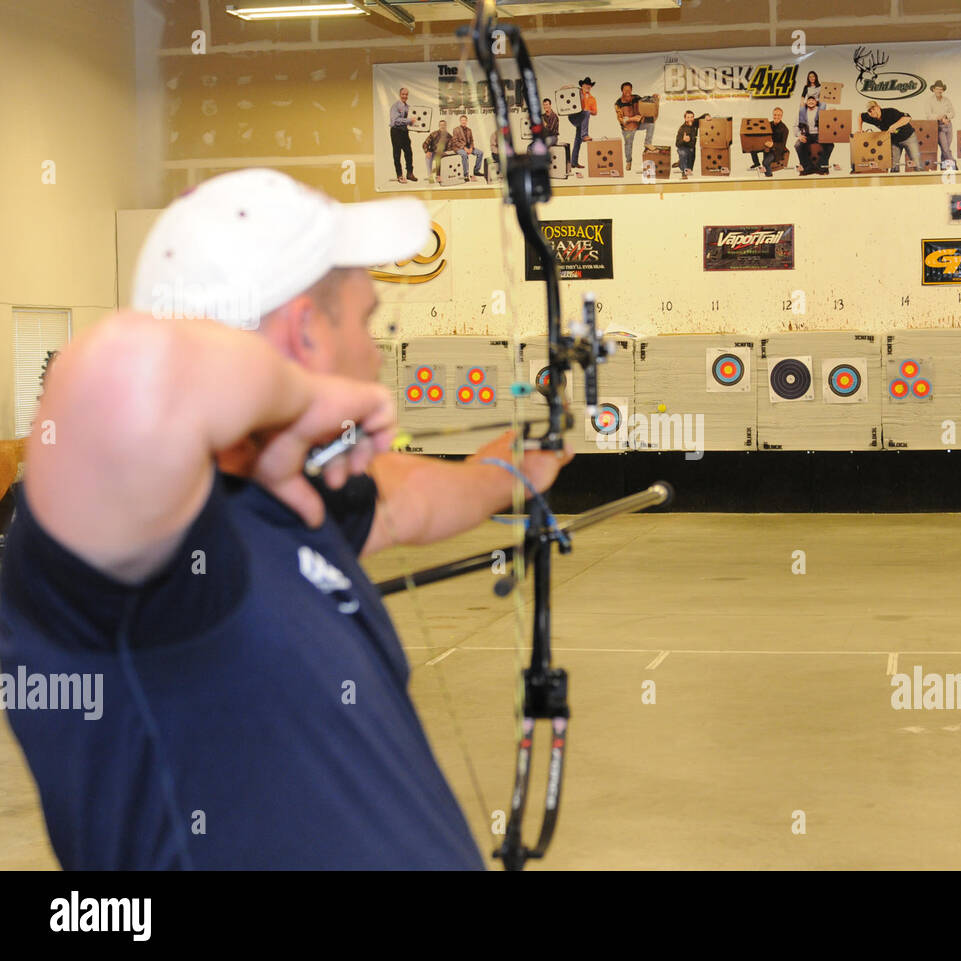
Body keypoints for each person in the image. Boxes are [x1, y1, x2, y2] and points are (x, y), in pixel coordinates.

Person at [0, 168, 573, 869]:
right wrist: (303, 399)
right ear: (305, 333)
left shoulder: (288, 496)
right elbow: (124, 373)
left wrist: (519, 465)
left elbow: (412, 496)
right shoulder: (135, 552)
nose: (374, 354)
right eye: (366, 321)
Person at [861, 100, 920, 173]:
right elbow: (860, 116)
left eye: (874, 108)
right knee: (894, 165)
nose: (873, 112)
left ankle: (923, 181)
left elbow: (908, 118)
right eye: (870, 111)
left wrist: (894, 126)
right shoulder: (870, 117)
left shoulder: (890, 112)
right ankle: (894, 182)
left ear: (879, 107)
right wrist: (859, 129)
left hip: (908, 137)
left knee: (916, 162)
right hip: (894, 141)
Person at [614, 81, 656, 172]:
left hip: (638, 124)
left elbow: (645, 104)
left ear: (631, 89)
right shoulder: (618, 104)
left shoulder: (637, 97)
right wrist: (632, 119)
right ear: (622, 91)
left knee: (651, 123)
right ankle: (628, 161)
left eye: (629, 89)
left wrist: (653, 97)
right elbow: (621, 120)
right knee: (628, 145)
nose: (628, 92)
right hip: (627, 129)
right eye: (625, 90)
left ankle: (647, 143)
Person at [796, 93, 832, 174]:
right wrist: (799, 135)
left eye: (813, 100)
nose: (811, 101)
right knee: (797, 145)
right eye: (809, 100)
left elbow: (830, 120)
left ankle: (821, 166)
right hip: (806, 135)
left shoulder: (821, 110)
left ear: (816, 102)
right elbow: (795, 126)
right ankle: (807, 167)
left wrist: (832, 111)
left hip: (819, 134)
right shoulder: (801, 112)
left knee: (830, 145)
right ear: (806, 102)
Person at [747, 107, 788, 177]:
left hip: (776, 150)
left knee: (765, 162)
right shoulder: (769, 124)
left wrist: (773, 144)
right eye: (775, 115)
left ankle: (769, 176)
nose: (776, 117)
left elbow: (782, 145)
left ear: (781, 116)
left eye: (778, 115)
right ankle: (756, 163)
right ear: (773, 115)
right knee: (752, 148)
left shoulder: (785, 129)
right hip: (766, 145)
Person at [925, 80, 956, 170]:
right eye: (937, 89)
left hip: (948, 125)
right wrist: (939, 117)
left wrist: (946, 116)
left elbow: (953, 112)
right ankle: (954, 165)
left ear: (943, 90)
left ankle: (943, 168)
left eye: (941, 89)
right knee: (945, 148)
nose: (939, 91)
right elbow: (928, 115)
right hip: (938, 127)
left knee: (945, 149)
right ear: (934, 89)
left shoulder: (947, 100)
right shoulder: (929, 101)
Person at [568, 77, 597, 170]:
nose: (588, 86)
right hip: (574, 116)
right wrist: (568, 86)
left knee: (577, 141)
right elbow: (564, 92)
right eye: (586, 84)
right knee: (586, 112)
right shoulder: (577, 92)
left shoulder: (592, 99)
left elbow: (595, 112)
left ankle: (574, 162)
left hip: (582, 120)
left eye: (589, 85)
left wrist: (587, 110)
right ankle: (585, 135)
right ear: (582, 85)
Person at [388, 87, 415, 184]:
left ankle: (410, 173)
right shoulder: (395, 106)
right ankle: (399, 175)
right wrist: (409, 120)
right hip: (396, 131)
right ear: (400, 94)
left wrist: (416, 127)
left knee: (408, 152)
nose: (405, 96)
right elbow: (395, 121)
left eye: (406, 94)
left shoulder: (408, 107)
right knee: (397, 154)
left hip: (404, 132)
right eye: (403, 94)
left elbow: (410, 122)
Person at [451, 114, 484, 180]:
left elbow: (471, 140)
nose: (464, 121)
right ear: (460, 121)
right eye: (462, 120)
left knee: (480, 153)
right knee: (464, 154)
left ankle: (476, 171)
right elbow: (455, 141)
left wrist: (471, 148)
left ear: (467, 121)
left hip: (468, 147)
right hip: (458, 148)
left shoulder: (469, 130)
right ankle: (466, 174)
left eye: (465, 120)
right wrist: (464, 148)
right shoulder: (456, 129)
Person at [675, 109, 702, 179]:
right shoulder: (682, 129)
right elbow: (677, 144)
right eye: (688, 117)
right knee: (686, 169)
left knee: (690, 169)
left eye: (691, 117)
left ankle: (681, 163)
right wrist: (684, 140)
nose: (690, 119)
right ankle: (684, 173)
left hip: (692, 149)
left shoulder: (695, 123)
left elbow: (703, 116)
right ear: (685, 118)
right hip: (683, 148)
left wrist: (707, 116)